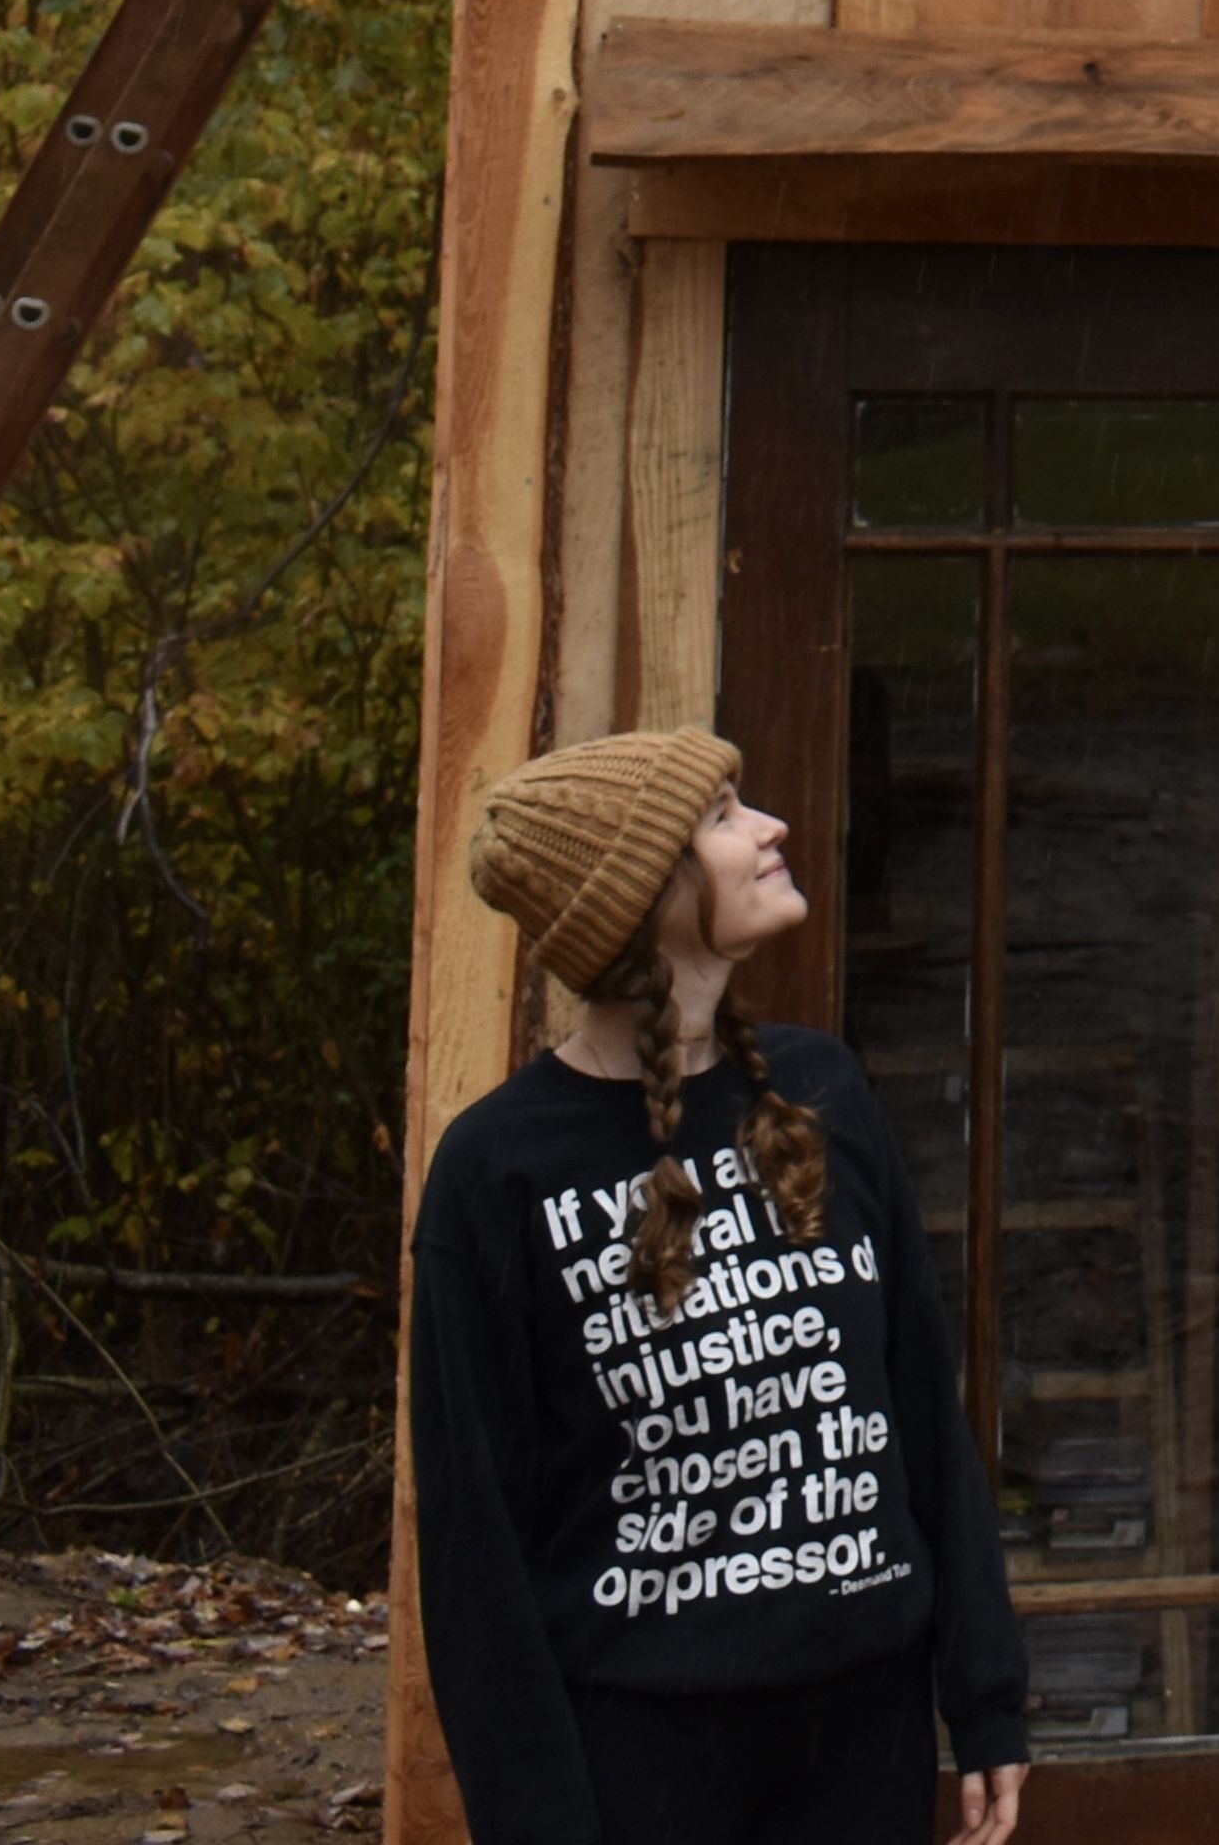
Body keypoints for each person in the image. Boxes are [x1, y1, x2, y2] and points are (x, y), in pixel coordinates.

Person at [411, 730, 1031, 1845]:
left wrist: (984, 1697)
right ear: (643, 897)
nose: (769, 829)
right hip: (644, 1753)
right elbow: (473, 1544)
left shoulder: (821, 1088)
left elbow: (916, 1412)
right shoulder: (497, 1172)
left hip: (863, 1726)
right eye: (724, 816)